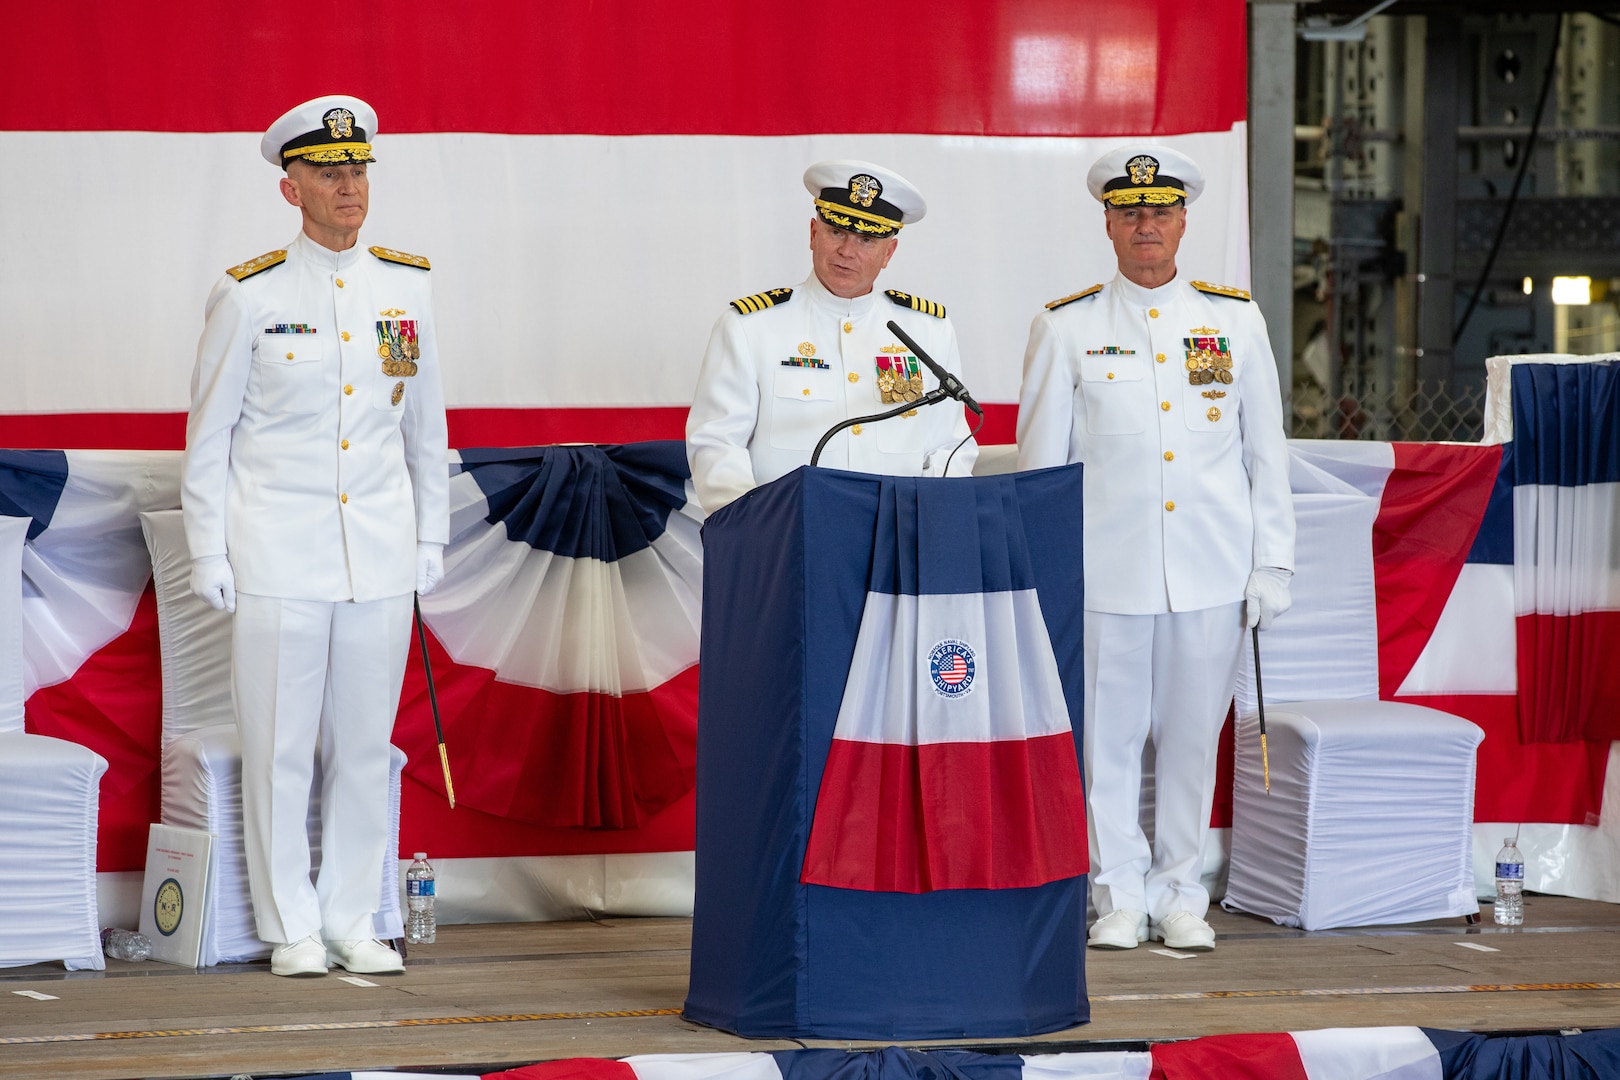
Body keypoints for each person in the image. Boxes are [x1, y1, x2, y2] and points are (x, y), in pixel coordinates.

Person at [181, 94, 449, 977]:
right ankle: (289, 922)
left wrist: (429, 539)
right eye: (329, 172)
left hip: (376, 552)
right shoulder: (249, 291)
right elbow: (210, 435)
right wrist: (209, 550)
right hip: (277, 553)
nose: (349, 185)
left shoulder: (405, 286)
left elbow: (423, 428)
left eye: (359, 168)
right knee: (280, 749)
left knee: (366, 750)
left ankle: (350, 919)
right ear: (289, 186)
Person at [1015, 145, 1294, 952]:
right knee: (1103, 748)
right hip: (1104, 574)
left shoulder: (1234, 321)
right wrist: (1047, 579)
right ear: (1107, 222)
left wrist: (1272, 562)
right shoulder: (1066, 327)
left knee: (1188, 744)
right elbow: (1043, 470)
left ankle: (1180, 895)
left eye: (1160, 211)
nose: (1146, 225)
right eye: (1130, 212)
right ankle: (1117, 897)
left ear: (1183, 222)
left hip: (1210, 572)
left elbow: (1264, 456)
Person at [686, 160, 977, 513]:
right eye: (837, 232)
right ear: (813, 233)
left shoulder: (927, 331)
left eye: (867, 239)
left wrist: (930, 525)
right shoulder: (750, 327)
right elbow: (717, 444)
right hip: (790, 537)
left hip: (901, 538)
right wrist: (755, 530)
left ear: (889, 253)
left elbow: (949, 446)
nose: (847, 251)